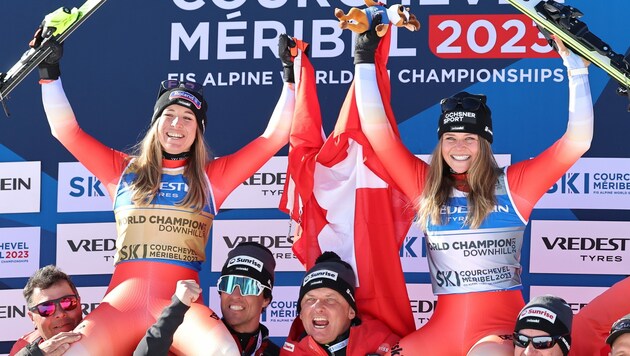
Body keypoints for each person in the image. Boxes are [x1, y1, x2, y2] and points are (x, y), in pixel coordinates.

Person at [32, 10, 294, 355]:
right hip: (119, 308)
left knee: (225, 352)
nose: (177, 123)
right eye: (169, 114)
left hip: (182, 307)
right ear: (156, 122)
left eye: (188, 118)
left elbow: (274, 137)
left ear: (198, 131)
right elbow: (65, 131)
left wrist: (292, 77)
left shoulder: (212, 178)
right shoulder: (123, 170)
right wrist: (49, 73)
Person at [353, 13, 594, 354]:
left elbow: (577, 141)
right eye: (450, 138)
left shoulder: (513, 187)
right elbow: (379, 135)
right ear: (440, 144)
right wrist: (363, 60)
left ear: (485, 143)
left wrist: (577, 70)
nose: (459, 147)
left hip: (495, 333)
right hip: (439, 332)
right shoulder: (426, 188)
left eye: (470, 138)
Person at [134, 242, 280, 355]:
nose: (235, 295)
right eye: (228, 284)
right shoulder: (195, 340)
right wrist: (176, 308)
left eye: (248, 286)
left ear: (266, 299)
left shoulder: (276, 354)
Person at [281, 251, 399, 355]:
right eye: (310, 299)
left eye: (330, 299)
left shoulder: (386, 345)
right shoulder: (289, 353)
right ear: (301, 313)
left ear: (351, 311)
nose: (318, 307)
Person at [10, 265, 83, 356]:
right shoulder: (23, 348)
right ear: (32, 318)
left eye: (68, 302)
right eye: (46, 308)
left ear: (79, 303)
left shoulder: (105, 337)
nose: (60, 314)